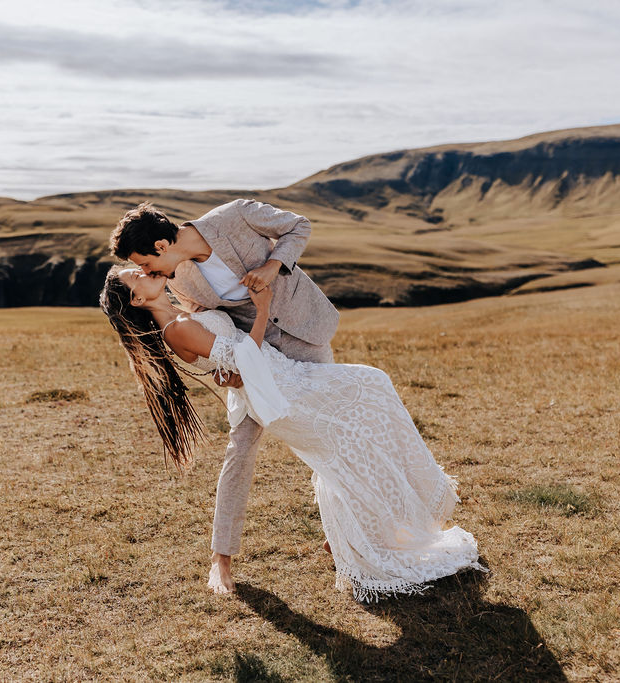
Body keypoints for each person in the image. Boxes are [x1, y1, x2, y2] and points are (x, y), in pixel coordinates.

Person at [99, 264, 487, 602]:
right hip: (281, 394)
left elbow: (227, 361)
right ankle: (389, 521)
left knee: (356, 428)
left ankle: (356, 536)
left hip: (285, 377)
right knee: (372, 386)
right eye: (134, 276)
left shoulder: (183, 313)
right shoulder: (177, 328)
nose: (141, 271)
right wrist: (263, 309)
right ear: (135, 301)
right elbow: (244, 359)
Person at [109, 198, 339, 594]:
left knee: (329, 432)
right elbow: (200, 319)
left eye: (144, 264)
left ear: (161, 247)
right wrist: (222, 368)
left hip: (305, 330)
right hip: (253, 357)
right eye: (141, 271)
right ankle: (221, 558)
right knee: (241, 448)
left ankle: (339, 532)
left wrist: (272, 266)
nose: (145, 271)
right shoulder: (174, 279)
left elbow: (299, 225)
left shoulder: (235, 215)